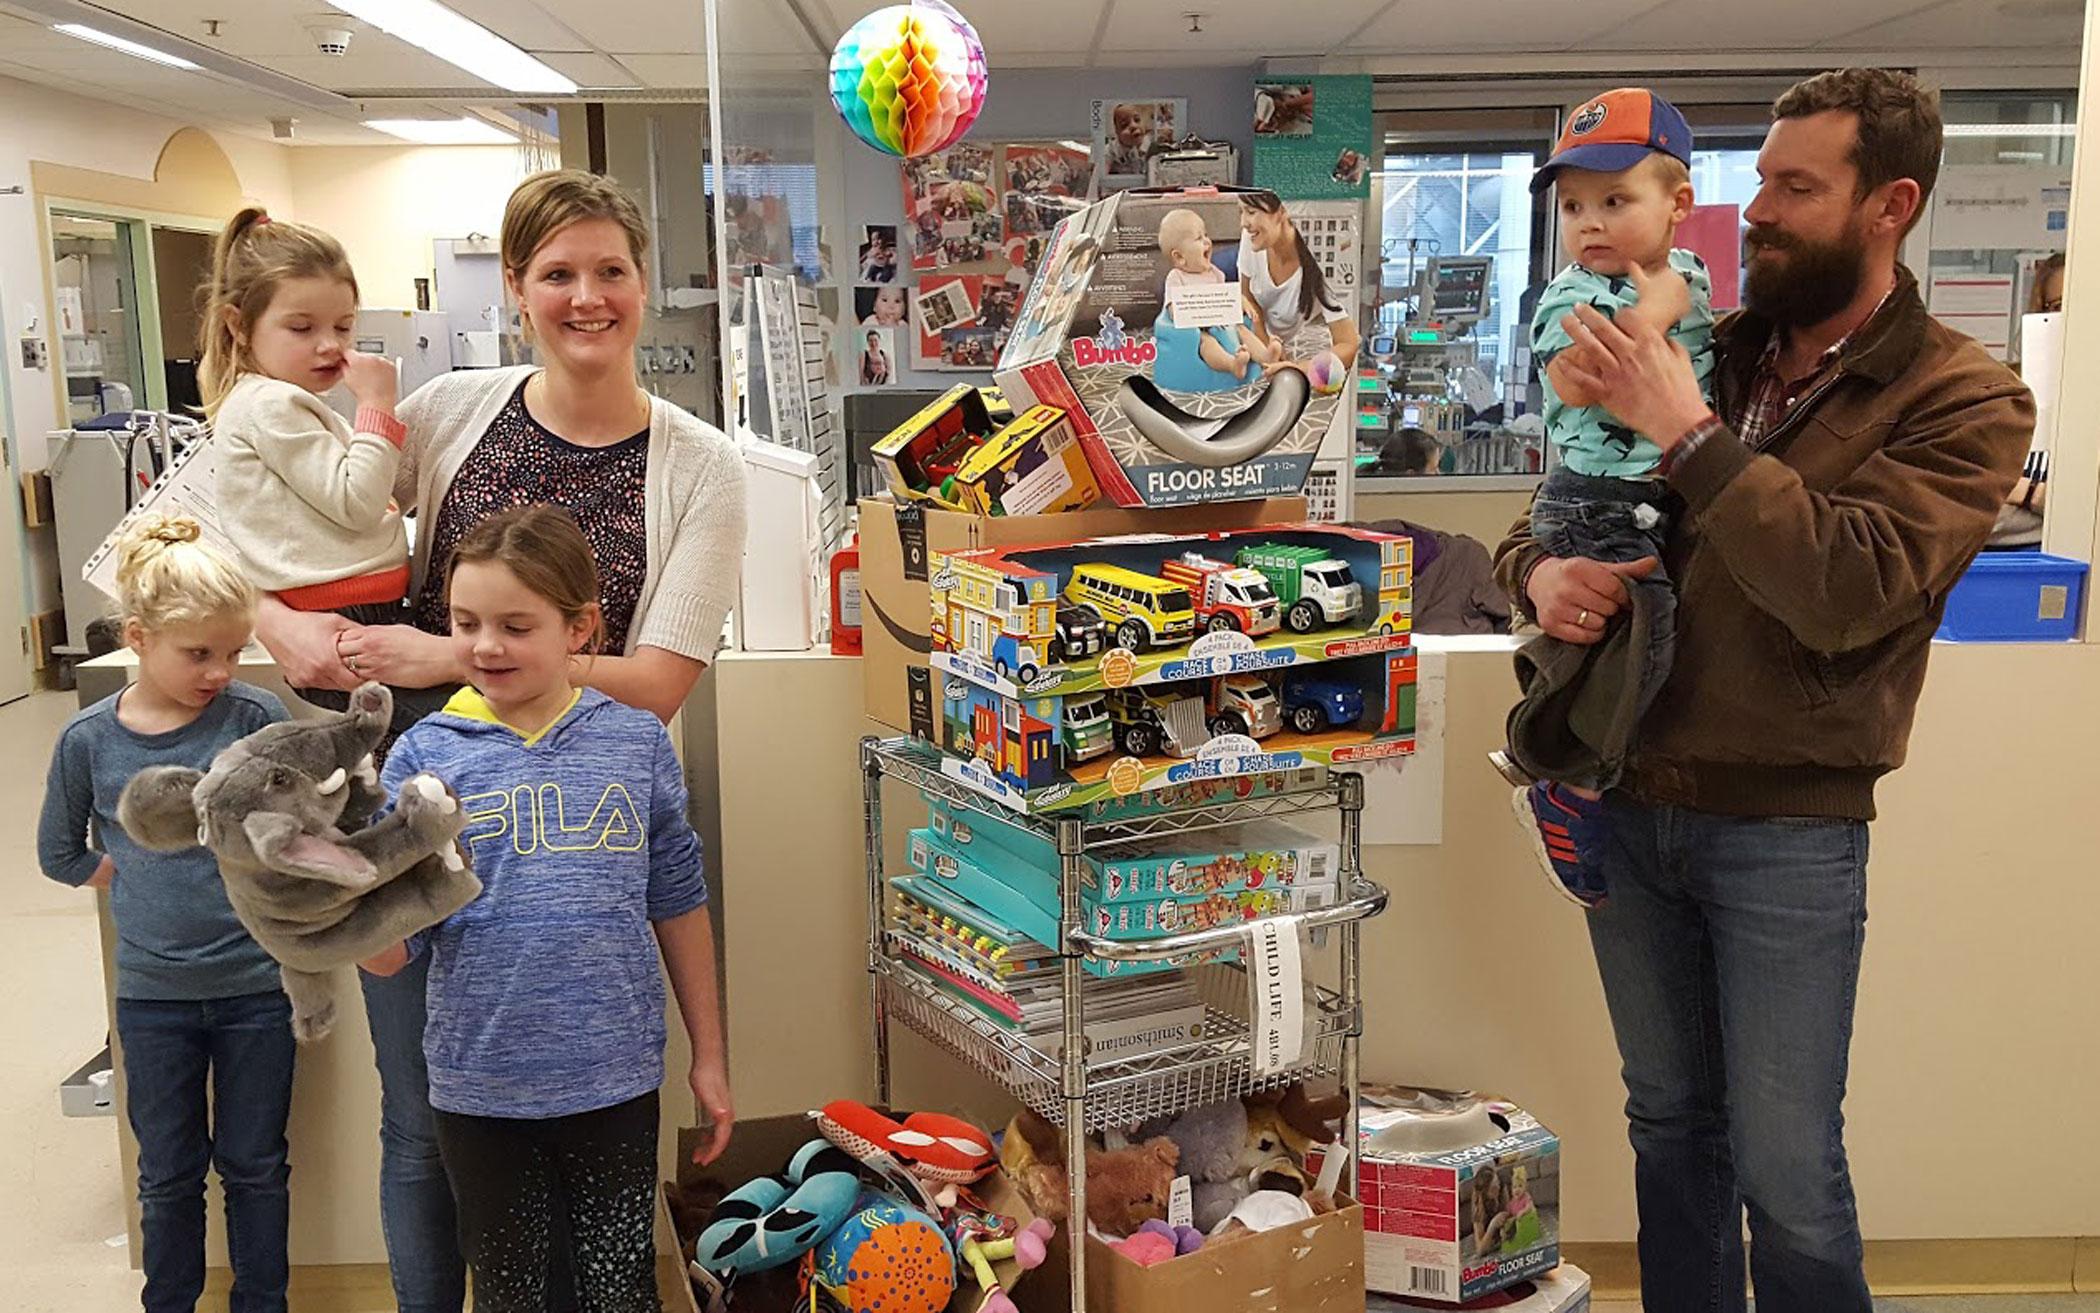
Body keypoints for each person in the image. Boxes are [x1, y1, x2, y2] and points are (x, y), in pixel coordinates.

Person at [1492, 68, 2031, 1313]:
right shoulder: (1705, 342)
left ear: (1889, 203)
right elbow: (1560, 499)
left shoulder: (1964, 395)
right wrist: (1540, 573)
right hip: (1627, 796)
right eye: (1759, 183)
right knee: (1671, 1130)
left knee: (1789, 1169)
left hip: (1788, 828)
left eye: (1799, 187)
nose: (1761, 213)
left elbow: (1852, 584)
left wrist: (1692, 433)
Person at [252, 168, 746, 1313]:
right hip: (411, 797)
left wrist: (441, 656)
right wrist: (280, 620)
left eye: (610, 270)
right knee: (425, 1116)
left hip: (580, 805)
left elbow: (659, 683)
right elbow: (243, 517)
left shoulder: (700, 465)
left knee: (588, 1110)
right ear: (517, 287)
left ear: (642, 284)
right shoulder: (445, 412)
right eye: (557, 273)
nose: (587, 297)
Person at [360, 505, 731, 1313]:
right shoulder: (425, 756)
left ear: (580, 627)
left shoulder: (635, 744)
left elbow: (679, 901)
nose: (485, 645)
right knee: (509, 1291)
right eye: (465, 622)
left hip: (616, 1081)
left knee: (620, 1287)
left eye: (514, 625)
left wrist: (710, 1054)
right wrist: (335, 908)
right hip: (479, 1087)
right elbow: (393, 950)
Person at [39, 516, 294, 1313]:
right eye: (198, 653)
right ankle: (171, 1302)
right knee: (168, 1170)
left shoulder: (251, 718)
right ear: (139, 638)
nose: (220, 671)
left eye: (232, 651)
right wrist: (119, 870)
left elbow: (292, 824)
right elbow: (58, 850)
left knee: (256, 1164)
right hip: (152, 1003)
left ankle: (265, 1301)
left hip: (257, 989)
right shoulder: (89, 739)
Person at [1502, 88, 1717, 906]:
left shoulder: (1690, 275)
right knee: (1644, 632)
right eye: (1574, 206)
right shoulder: (1570, 294)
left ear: (1679, 204)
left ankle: (1576, 769)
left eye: (1615, 200)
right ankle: (1568, 779)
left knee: (1640, 639)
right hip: (1593, 496)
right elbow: (1582, 373)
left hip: (1657, 494)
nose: (1589, 223)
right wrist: (1650, 318)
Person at [198, 207, 429, 741]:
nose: (329, 344)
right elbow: (357, 503)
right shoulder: (271, 405)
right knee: (446, 722)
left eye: (343, 327)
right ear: (238, 324)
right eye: (302, 328)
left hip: (356, 603)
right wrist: (376, 406)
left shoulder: (278, 402)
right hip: (341, 612)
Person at [1238, 193, 1363, 370]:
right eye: (1240, 212)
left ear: (1283, 210)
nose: (1243, 223)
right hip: (1251, 341)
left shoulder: (1324, 260)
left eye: (1251, 212)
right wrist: (1267, 348)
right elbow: (1246, 297)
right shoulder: (1251, 237)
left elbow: (1348, 345)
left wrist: (1298, 369)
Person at [1991, 251, 2064, 548]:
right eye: (2059, 306)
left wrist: (2023, 492)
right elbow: (1969, 508)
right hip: (1998, 567)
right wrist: (2043, 500)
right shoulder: (2004, 390)